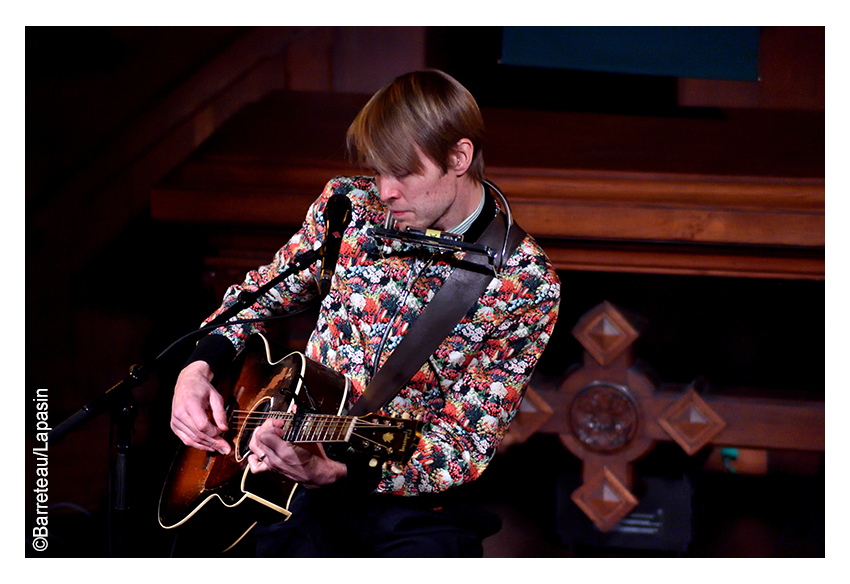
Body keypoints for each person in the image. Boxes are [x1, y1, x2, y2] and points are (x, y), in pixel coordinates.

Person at [169, 69, 560, 557]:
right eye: (378, 171)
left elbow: (463, 445)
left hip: (413, 513)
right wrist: (197, 366)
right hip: (287, 484)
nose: (386, 190)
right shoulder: (349, 207)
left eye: (403, 172)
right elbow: (257, 299)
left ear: (459, 157)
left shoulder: (524, 281)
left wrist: (336, 473)